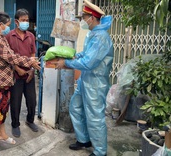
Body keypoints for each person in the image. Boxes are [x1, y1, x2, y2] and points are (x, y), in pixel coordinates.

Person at [55, 0, 114, 155]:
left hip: (95, 82)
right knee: (75, 107)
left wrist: (66, 63)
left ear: (92, 18)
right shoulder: (93, 34)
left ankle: (100, 151)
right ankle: (84, 139)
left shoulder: (101, 37)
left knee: (95, 117)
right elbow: (86, 54)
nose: (82, 20)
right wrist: (74, 55)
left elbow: (89, 62)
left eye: (84, 17)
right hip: (85, 80)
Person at [0, 10, 40, 156]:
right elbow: (10, 57)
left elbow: (10, 55)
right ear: (0, 25)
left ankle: (1, 134)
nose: (8, 27)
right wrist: (29, 61)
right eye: (7, 25)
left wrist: (30, 62)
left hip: (4, 80)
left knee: (2, 109)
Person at [5, 8, 38, 138]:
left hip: (29, 75)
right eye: (23, 20)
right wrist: (17, 69)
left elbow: (33, 54)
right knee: (15, 102)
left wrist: (31, 70)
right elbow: (8, 56)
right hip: (16, 75)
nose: (26, 23)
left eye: (27, 20)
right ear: (16, 22)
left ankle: (30, 121)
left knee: (32, 101)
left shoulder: (31, 36)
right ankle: (15, 125)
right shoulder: (9, 36)